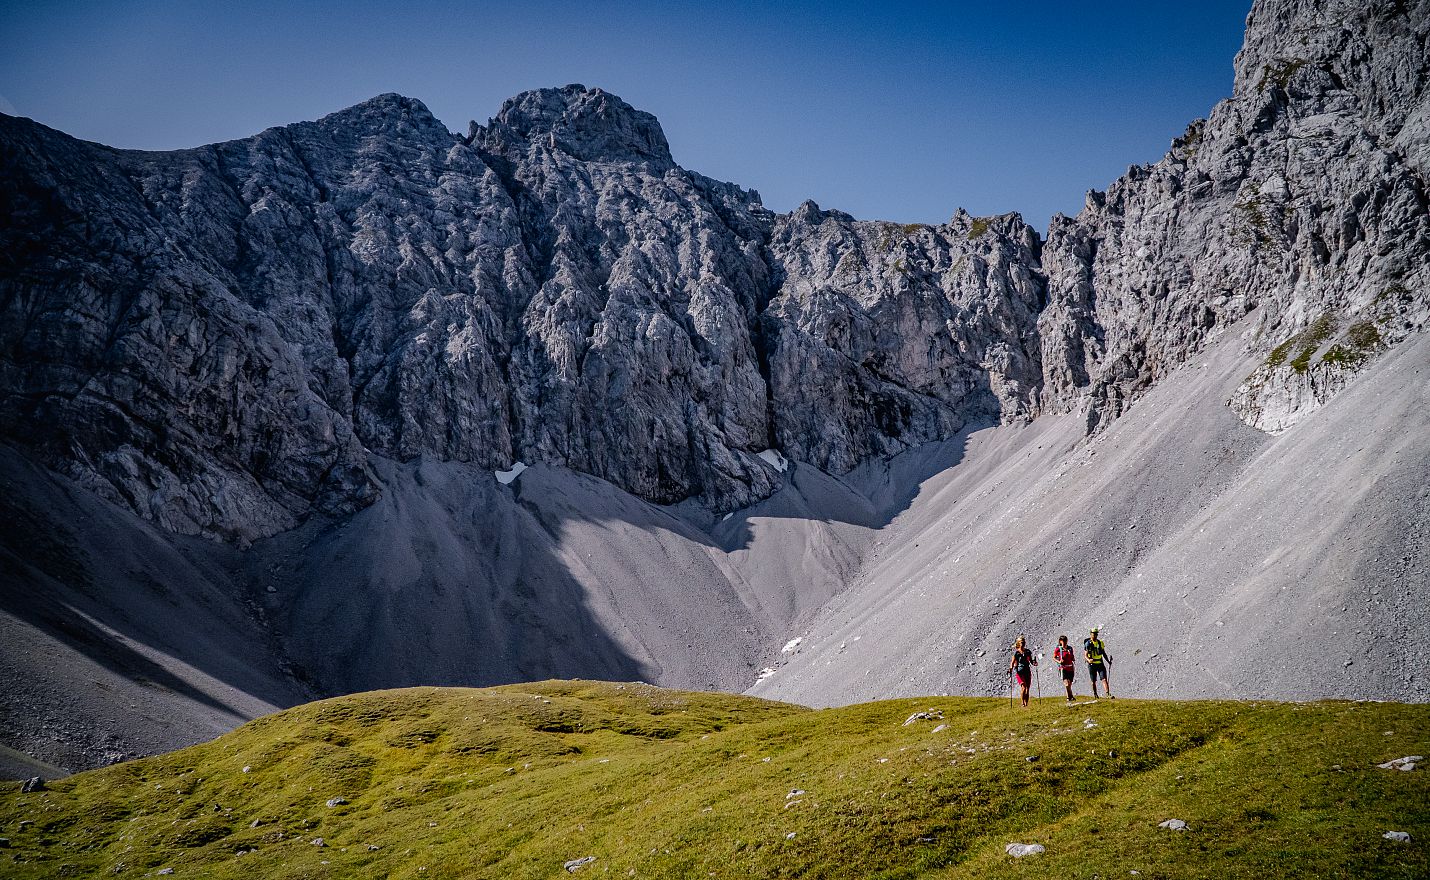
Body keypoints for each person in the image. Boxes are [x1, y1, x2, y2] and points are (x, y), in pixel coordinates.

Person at [1084, 627, 1113, 699]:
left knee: (1104, 679)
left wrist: (1108, 661)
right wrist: (1088, 660)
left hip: (1100, 663)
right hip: (1092, 664)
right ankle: (1095, 694)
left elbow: (1103, 653)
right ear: (1091, 634)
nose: (1095, 635)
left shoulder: (1100, 643)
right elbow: (1085, 655)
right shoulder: (1088, 644)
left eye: (1096, 634)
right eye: (1094, 634)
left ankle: (1107, 694)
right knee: (1093, 681)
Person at [1008, 636, 1037, 708]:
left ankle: (1026, 704)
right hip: (1020, 672)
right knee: (1024, 687)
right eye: (1021, 642)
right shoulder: (1017, 653)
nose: (1023, 644)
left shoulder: (1028, 652)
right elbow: (1012, 662)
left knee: (1027, 689)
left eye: (1024, 642)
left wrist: (1034, 663)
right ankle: (1022, 703)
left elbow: (1030, 661)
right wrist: (1010, 669)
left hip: (1027, 671)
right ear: (1019, 643)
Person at [1053, 635, 1077, 703]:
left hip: (1070, 667)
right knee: (1066, 683)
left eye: (1065, 640)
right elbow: (1054, 657)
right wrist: (1059, 661)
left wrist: (1073, 658)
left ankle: (1069, 697)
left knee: (1069, 683)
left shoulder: (1070, 648)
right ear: (1060, 641)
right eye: (1063, 641)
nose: (1064, 642)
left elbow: (1072, 656)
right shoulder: (1058, 649)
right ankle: (1070, 697)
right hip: (1063, 668)